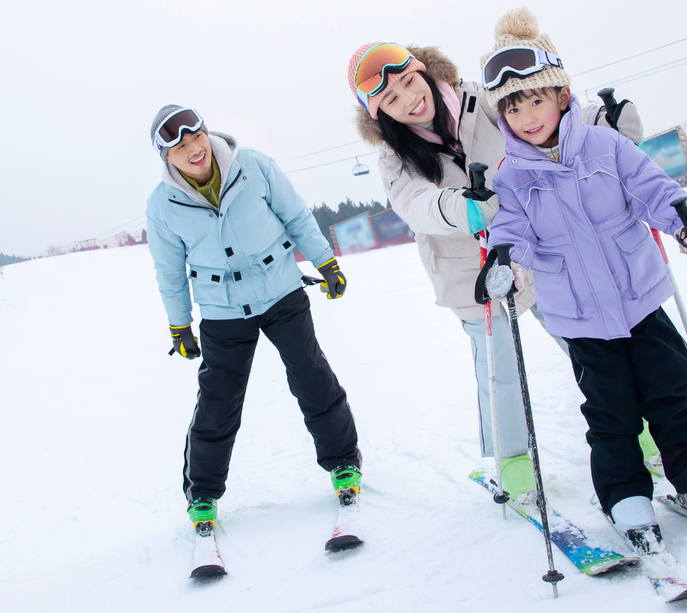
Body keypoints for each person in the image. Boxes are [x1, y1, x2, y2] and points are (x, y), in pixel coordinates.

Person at [480, 8, 687, 547]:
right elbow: (512, 230)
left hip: (640, 299)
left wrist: (684, 221)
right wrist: (504, 257)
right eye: (513, 108)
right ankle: (625, 495)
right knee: (611, 412)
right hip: (580, 318)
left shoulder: (607, 147)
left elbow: (652, 188)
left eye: (536, 99)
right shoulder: (511, 178)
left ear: (561, 96)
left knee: (673, 393)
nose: (527, 116)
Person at [346, 39, 643, 500]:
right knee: (500, 366)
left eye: (409, 82)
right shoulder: (394, 156)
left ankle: (638, 429)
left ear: (422, 70)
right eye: (390, 99)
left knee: (590, 347)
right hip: (472, 271)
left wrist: (600, 124)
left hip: (538, 247)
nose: (409, 100)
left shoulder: (479, 99)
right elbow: (414, 204)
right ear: (376, 112)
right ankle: (514, 460)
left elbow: (538, 120)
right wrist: (459, 206)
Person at [145, 105, 362, 530]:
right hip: (223, 312)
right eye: (180, 146)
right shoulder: (162, 205)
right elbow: (168, 272)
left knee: (311, 375)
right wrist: (179, 324)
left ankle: (343, 464)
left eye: (197, 137)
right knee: (218, 402)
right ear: (166, 157)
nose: (194, 149)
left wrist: (326, 262)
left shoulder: (253, 166)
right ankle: (203, 494)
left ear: (207, 133)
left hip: (281, 292)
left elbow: (296, 216)